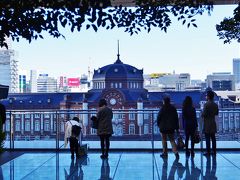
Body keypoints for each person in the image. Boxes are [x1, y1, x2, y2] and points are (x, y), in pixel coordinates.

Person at [202, 90, 219, 156]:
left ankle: (208, 152)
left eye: (206, 95)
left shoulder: (206, 104)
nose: (206, 96)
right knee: (213, 138)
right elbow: (216, 113)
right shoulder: (215, 104)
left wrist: (203, 114)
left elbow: (203, 114)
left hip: (207, 124)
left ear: (208, 97)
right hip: (213, 123)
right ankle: (214, 152)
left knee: (207, 138)